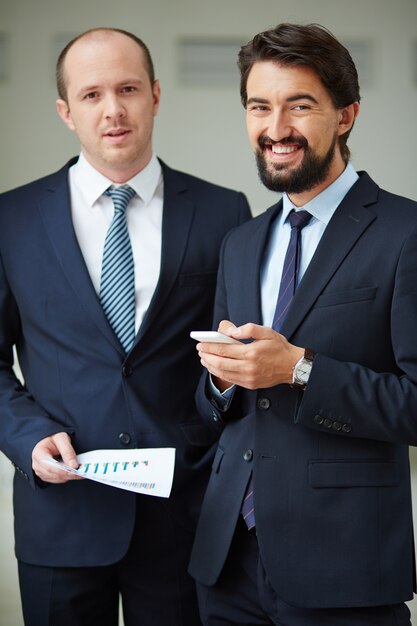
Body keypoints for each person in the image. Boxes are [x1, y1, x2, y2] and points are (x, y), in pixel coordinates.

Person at [0, 27, 251, 626]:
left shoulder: (223, 212)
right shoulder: (10, 219)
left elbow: (229, 355)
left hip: (181, 514)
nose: (113, 109)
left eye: (128, 89)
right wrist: (26, 437)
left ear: (156, 96)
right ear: (66, 111)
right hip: (62, 512)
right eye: (91, 95)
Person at [188, 22, 416, 626]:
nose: (276, 128)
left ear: (346, 116)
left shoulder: (405, 234)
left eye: (300, 105)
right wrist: (222, 379)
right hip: (227, 561)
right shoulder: (239, 243)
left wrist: (298, 369)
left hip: (343, 565)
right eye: (260, 106)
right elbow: (219, 408)